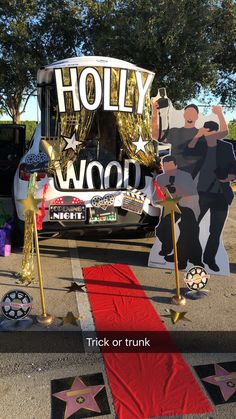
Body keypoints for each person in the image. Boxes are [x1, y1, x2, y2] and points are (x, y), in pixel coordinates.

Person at [187, 114, 236, 272]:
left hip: (221, 195)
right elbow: (188, 149)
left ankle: (209, 258)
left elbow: (234, 168)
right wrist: (198, 134)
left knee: (215, 230)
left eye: (208, 133)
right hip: (201, 194)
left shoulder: (226, 147)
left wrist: (228, 177)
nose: (206, 136)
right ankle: (194, 257)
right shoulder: (200, 145)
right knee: (192, 226)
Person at [153, 155, 203, 270]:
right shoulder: (160, 178)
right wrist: (163, 193)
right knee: (161, 229)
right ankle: (168, 248)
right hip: (170, 205)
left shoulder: (185, 176)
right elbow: (155, 199)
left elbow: (193, 196)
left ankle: (189, 258)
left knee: (190, 230)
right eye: (166, 167)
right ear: (163, 167)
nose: (169, 170)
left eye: (171, 167)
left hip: (186, 205)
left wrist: (180, 191)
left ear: (176, 166)